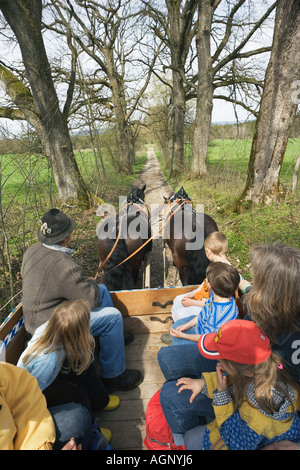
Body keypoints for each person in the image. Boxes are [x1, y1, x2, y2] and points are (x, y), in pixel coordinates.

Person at [157, 242, 300, 447]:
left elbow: (256, 377)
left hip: (254, 393)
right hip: (236, 365)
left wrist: (209, 385)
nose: (255, 287)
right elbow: (248, 290)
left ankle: (186, 437)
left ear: (273, 293)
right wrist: (229, 267)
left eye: (259, 280)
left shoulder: (290, 342)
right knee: (166, 357)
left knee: (171, 395)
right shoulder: (268, 306)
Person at [21, 208, 143, 392]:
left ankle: (110, 340)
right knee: (113, 316)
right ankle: (114, 375)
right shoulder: (66, 266)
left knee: (102, 289)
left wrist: (91, 285)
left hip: (36, 319)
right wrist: (91, 283)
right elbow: (90, 300)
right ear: (66, 237)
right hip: (52, 327)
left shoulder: (31, 251)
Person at [181, 320, 300, 450]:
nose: (218, 363)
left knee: (190, 438)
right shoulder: (274, 370)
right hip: (257, 433)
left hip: (237, 438)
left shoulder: (254, 418)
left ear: (246, 372)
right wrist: (205, 383)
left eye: (221, 359)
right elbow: (235, 377)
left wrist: (221, 394)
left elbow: (232, 439)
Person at [17, 300, 119, 424]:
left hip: (49, 374)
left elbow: (63, 346)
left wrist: (75, 354)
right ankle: (92, 430)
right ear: (77, 333)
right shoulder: (48, 361)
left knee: (86, 367)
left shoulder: (51, 328)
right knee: (77, 395)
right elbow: (34, 391)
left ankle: (100, 402)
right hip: (36, 390)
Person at [0, 361, 91, 450]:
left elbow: (20, 386)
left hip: (18, 432)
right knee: (79, 398)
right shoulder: (49, 361)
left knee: (78, 416)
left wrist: (41, 447)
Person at [170, 232, 250, 323]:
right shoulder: (218, 266)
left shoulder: (222, 274)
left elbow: (215, 303)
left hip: (214, 308)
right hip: (209, 299)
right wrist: (193, 293)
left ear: (208, 252)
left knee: (181, 311)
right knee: (178, 299)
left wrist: (192, 302)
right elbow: (206, 281)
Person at [169, 262, 240, 345]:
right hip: (202, 325)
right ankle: (176, 338)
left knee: (178, 343)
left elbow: (205, 338)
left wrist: (184, 336)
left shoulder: (218, 315)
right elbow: (204, 312)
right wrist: (186, 326)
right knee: (178, 325)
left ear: (209, 285)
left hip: (207, 341)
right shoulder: (218, 296)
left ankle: (177, 344)